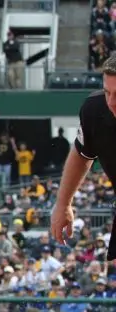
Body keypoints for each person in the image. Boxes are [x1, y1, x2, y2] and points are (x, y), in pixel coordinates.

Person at [50, 55, 116, 262]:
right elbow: (82, 153)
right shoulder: (95, 110)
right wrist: (63, 203)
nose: (111, 102)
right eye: (107, 92)